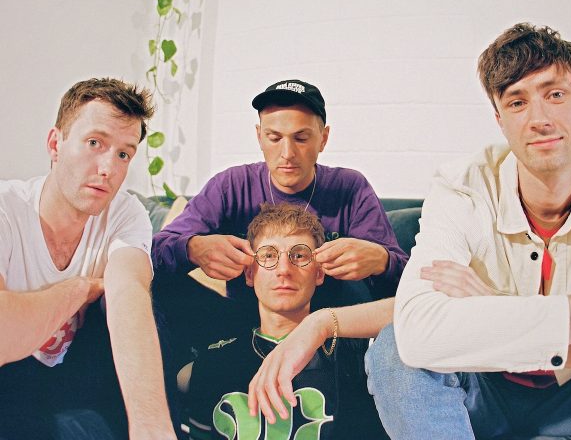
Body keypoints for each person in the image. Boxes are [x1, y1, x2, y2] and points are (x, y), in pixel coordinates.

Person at [363, 23, 571, 439]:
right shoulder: (464, 187)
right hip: (483, 389)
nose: (539, 119)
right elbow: (417, 332)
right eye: (517, 102)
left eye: (555, 95)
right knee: (394, 352)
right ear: (500, 121)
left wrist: (493, 305)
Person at [151, 79, 406, 363]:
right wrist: (192, 248)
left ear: (323, 139)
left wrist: (382, 260)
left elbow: (409, 289)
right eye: (274, 138)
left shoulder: (350, 189)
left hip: (331, 339)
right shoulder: (230, 186)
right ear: (259, 136)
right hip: (241, 326)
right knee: (147, 287)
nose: (287, 154)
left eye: (301, 138)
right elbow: (153, 250)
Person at [0, 78, 177, 439]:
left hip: (76, 376)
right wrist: (80, 289)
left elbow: (129, 294)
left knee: (147, 308)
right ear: (56, 144)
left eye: (124, 154)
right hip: (10, 377)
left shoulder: (126, 213)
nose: (108, 168)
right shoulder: (7, 210)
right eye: (95, 143)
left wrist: (152, 427)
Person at [181, 203, 388, 439]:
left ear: (319, 273)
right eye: (268, 255)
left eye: (299, 255)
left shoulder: (357, 353)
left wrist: (322, 323)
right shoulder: (213, 363)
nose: (284, 270)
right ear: (250, 273)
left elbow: (412, 314)